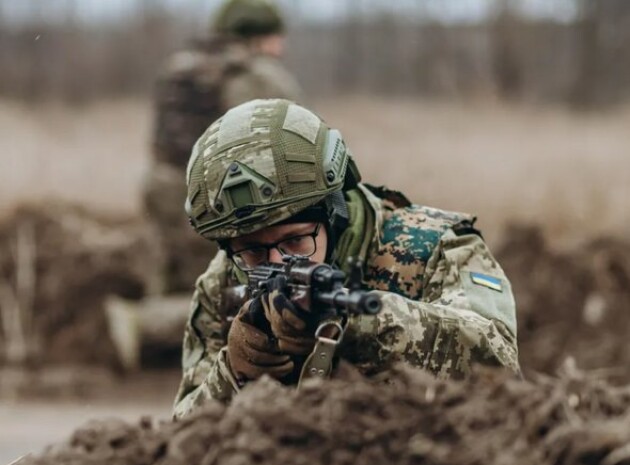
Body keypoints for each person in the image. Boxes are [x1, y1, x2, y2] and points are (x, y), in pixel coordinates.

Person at [173, 98, 520, 418]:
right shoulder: (224, 281)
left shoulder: (432, 249)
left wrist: (360, 327)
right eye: (252, 250)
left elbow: (501, 367)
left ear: (334, 214)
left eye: (295, 240)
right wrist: (233, 373)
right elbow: (178, 439)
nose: (277, 262)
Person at [144, 0, 301, 294]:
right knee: (226, 293)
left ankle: (153, 331)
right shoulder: (257, 75)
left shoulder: (179, 66)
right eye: (277, 37)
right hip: (221, 200)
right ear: (258, 36)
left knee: (172, 281)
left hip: (162, 189)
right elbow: (290, 147)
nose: (282, 47)